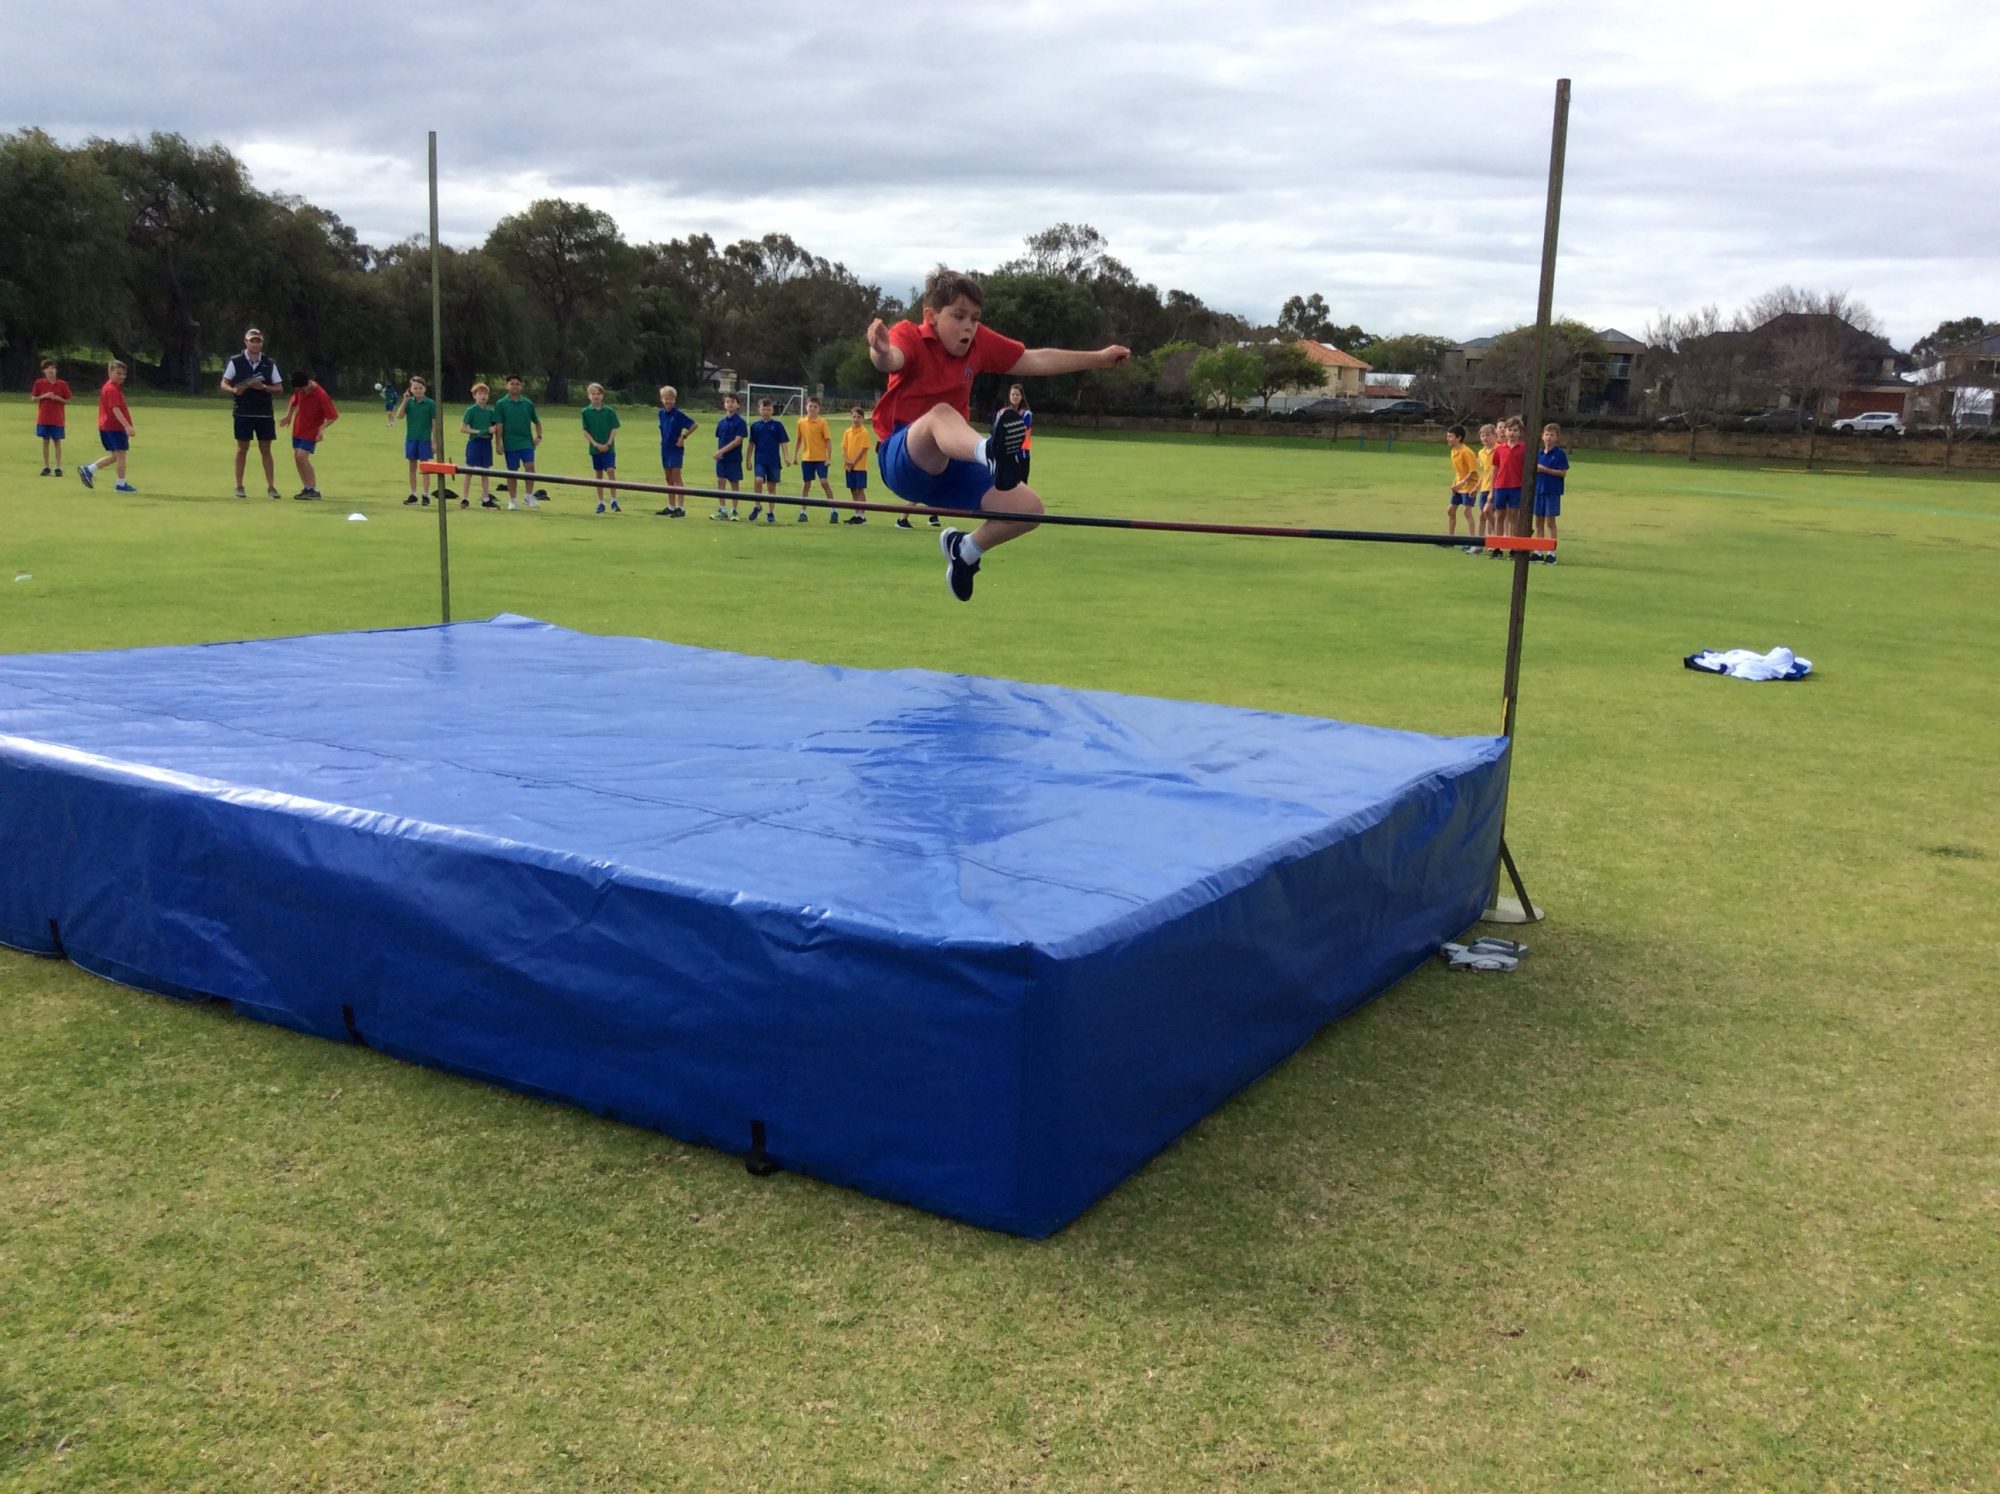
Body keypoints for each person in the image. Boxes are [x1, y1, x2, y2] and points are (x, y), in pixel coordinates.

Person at [868, 266, 1128, 600]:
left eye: (975, 318)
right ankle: (989, 453)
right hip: (902, 458)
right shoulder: (911, 334)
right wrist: (879, 348)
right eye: (959, 316)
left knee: (1028, 508)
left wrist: (1100, 359)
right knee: (941, 414)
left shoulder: (979, 343)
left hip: (950, 462)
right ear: (931, 316)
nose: (969, 326)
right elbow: (890, 359)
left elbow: (1037, 360)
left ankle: (964, 551)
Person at [220, 328, 283, 500]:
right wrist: (235, 389)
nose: (255, 344)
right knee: (242, 448)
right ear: (246, 342)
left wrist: (262, 387)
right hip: (243, 411)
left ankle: (271, 487)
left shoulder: (269, 363)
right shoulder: (236, 361)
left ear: (262, 343)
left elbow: (278, 387)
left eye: (258, 341)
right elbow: (224, 383)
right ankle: (239, 486)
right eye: (252, 341)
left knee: (266, 449)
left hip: (264, 412)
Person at [75, 360, 137, 493]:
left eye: (123, 374)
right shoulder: (111, 389)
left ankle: (89, 469)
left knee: (115, 456)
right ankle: (121, 485)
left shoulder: (113, 387)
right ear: (110, 372)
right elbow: (115, 409)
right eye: (118, 373)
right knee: (121, 454)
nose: (121, 376)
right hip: (113, 427)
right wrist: (126, 426)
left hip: (107, 426)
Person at [278, 369, 339, 499]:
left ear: (308, 384)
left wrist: (321, 429)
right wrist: (288, 416)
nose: (301, 392)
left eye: (302, 389)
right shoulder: (300, 390)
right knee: (297, 457)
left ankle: (314, 489)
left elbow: (333, 416)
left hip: (311, 430)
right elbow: (294, 401)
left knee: (302, 457)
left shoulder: (320, 394)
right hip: (299, 428)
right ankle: (306, 488)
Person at [493, 375, 543, 509]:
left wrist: (539, 436)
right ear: (507, 386)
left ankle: (528, 495)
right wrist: (498, 444)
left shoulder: (527, 403)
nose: (515, 386)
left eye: (517, 384)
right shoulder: (501, 404)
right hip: (510, 442)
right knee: (512, 471)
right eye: (512, 384)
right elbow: (499, 424)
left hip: (526, 441)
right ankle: (513, 499)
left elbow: (536, 421)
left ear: (521, 386)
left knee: (530, 466)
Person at [392, 376, 441, 506]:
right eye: (415, 388)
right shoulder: (409, 402)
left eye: (420, 388)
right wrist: (404, 401)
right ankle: (413, 493)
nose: (418, 390)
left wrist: (434, 441)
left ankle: (425, 494)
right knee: (412, 467)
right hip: (411, 438)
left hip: (424, 439)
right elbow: (399, 416)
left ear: (424, 389)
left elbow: (435, 424)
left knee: (425, 468)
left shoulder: (430, 404)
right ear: (411, 389)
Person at [653, 385, 698, 516]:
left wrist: (683, 436)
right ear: (662, 399)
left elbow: (694, 425)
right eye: (666, 398)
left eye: (671, 399)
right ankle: (671, 506)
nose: (669, 401)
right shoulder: (661, 413)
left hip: (675, 449)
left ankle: (681, 507)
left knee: (676, 476)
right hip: (665, 448)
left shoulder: (678, 414)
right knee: (668, 477)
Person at [794, 395, 838, 523]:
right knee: (806, 484)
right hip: (807, 458)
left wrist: (828, 458)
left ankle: (834, 510)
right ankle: (803, 511)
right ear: (805, 407)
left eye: (815, 407)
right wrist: (795, 455)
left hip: (820, 458)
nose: (812, 409)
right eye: (810, 406)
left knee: (824, 482)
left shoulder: (822, 422)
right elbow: (799, 439)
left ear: (819, 409)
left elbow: (828, 441)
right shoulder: (801, 422)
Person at [744, 398, 789, 523]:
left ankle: (770, 512)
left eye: (768, 409)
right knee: (758, 480)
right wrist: (748, 459)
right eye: (763, 409)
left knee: (771, 486)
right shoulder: (755, 426)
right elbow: (751, 444)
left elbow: (783, 442)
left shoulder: (777, 426)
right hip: (760, 460)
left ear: (772, 410)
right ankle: (757, 505)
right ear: (759, 410)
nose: (766, 412)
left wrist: (786, 457)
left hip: (773, 460)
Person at [1487, 416, 1525, 556]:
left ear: (1519, 432)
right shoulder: (1499, 449)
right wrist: (1492, 490)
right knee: (1499, 516)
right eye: (1510, 430)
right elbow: (1495, 469)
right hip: (1501, 486)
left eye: (1515, 430)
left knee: (1513, 517)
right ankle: (1497, 546)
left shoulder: (1523, 448)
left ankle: (1513, 547)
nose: (1512, 433)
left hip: (1516, 486)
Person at [582, 382, 622, 513]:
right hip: (595, 448)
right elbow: (585, 431)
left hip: (608, 448)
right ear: (589, 396)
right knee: (598, 474)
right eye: (593, 394)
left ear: (602, 396)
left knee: (610, 470)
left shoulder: (609, 411)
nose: (596, 396)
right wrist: (595, 444)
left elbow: (614, 428)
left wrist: (608, 444)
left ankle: (614, 499)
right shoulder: (586, 412)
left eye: (598, 394)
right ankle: (600, 501)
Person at [1533, 422, 1569, 563]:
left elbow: (1563, 473)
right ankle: (1538, 550)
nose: (1548, 437)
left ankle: (1551, 552)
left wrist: (1545, 469)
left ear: (1557, 437)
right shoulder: (1539, 453)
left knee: (1550, 521)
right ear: (1542, 436)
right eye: (1546, 434)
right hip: (1538, 490)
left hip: (1552, 491)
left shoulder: (1559, 454)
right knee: (1538, 521)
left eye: (1552, 435)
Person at [461, 382, 501, 508]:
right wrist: (478, 431)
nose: (482, 396)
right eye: (480, 394)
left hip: (486, 443)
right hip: (475, 442)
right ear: (474, 396)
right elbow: (463, 428)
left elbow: (495, 425)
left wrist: (493, 429)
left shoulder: (490, 412)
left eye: (485, 394)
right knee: (469, 470)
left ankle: (485, 497)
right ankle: (465, 497)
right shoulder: (471, 410)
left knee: (485, 471)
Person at [31, 358, 71, 476]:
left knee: (57, 442)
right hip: (44, 418)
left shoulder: (62, 384)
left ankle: (58, 467)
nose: (51, 370)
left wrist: (58, 398)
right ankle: (46, 466)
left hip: (57, 418)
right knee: (45, 441)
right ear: (44, 371)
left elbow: (67, 400)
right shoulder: (39, 383)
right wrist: (44, 396)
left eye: (53, 368)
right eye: (48, 368)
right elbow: (33, 398)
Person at [710, 393, 746, 519]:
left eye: (732, 402)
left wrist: (722, 451)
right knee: (720, 482)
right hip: (722, 459)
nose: (730, 404)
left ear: (737, 405)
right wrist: (719, 453)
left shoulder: (740, 422)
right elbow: (720, 439)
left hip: (734, 458)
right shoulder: (721, 423)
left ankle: (734, 510)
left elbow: (738, 441)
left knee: (734, 483)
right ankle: (722, 509)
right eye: (727, 402)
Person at [1445, 424, 1479, 544]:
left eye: (1450, 436)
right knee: (1450, 510)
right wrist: (1455, 484)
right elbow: (1459, 471)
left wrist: (1461, 484)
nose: (1448, 439)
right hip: (1459, 486)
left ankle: (1472, 541)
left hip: (1469, 486)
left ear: (1458, 438)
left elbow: (1472, 472)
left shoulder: (1467, 452)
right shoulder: (1454, 451)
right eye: (1447, 436)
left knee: (1467, 512)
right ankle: (1450, 538)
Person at [840, 404, 872, 524]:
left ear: (862, 418)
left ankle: (862, 516)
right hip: (849, 466)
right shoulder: (847, 432)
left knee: (860, 489)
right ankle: (856, 513)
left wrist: (853, 462)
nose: (856, 419)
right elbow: (843, 447)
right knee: (853, 489)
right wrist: (847, 461)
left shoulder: (864, 432)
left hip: (859, 466)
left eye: (858, 417)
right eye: (854, 417)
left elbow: (863, 449)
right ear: (850, 417)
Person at [1001, 382, 1034, 483]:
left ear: (1021, 397)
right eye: (1012, 394)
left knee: (1022, 484)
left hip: (1022, 454)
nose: (1015, 397)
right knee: (1007, 484)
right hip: (1007, 454)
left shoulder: (1026, 414)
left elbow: (1022, 430)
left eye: (1017, 394)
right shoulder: (1003, 412)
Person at [1472, 422, 1497, 551]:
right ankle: (1479, 543)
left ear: (1494, 436)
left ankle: (1494, 536)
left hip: (1496, 486)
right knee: (1482, 515)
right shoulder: (1481, 453)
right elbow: (1485, 471)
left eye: (1488, 435)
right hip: (1484, 487)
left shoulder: (1498, 449)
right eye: (1482, 436)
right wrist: (1476, 487)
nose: (1485, 438)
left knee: (1490, 512)